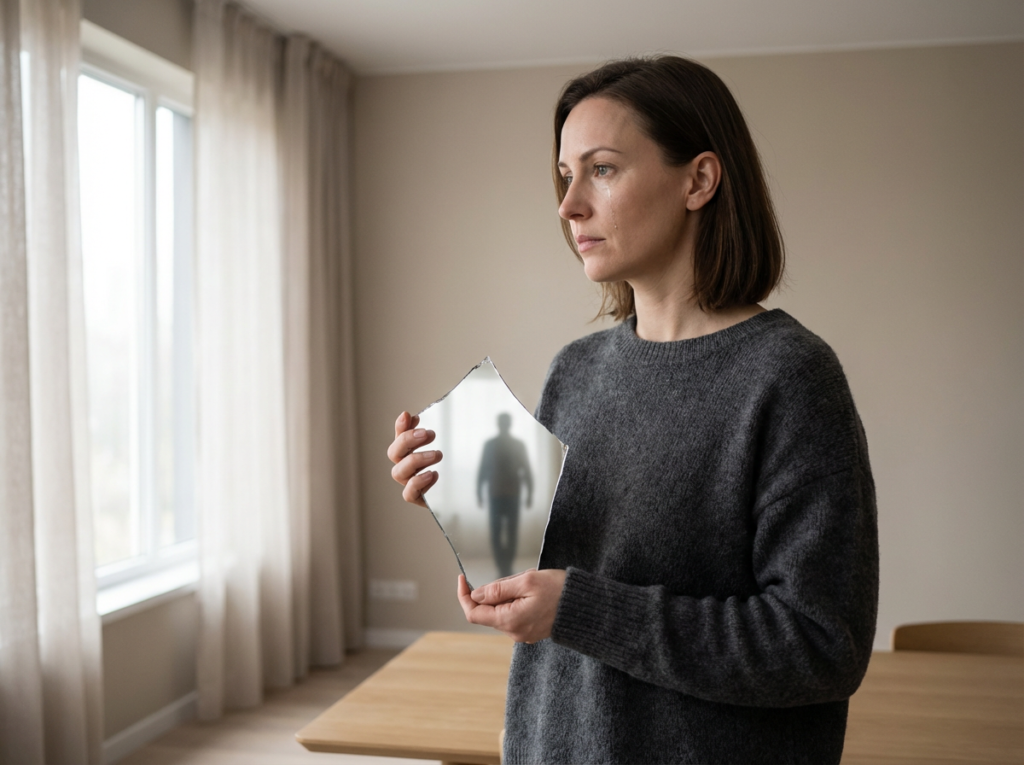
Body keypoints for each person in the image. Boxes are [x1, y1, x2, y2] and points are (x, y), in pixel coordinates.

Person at [387, 55, 878, 765]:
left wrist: (578, 607)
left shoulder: (791, 378)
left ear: (699, 180)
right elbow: (558, 576)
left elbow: (819, 645)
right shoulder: (577, 370)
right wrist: (468, 502)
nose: (569, 205)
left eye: (603, 169)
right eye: (564, 175)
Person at [477, 413, 534, 578]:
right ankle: (501, 565)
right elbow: (482, 469)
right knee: (496, 532)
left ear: (509, 424)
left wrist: (530, 493)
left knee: (511, 532)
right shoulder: (490, 445)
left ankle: (507, 565)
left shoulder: (518, 445)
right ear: (499, 424)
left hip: (513, 494)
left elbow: (527, 470)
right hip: (495, 494)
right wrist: (479, 493)